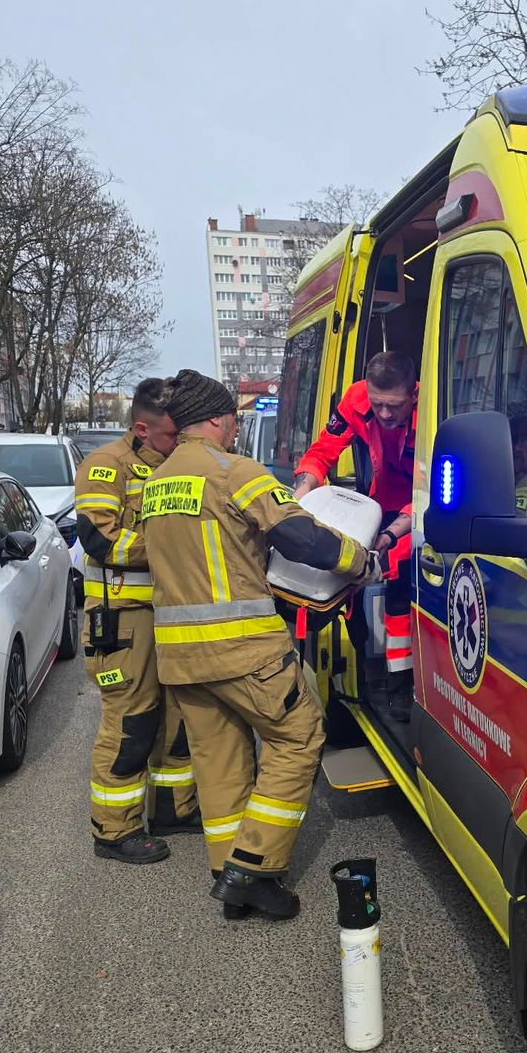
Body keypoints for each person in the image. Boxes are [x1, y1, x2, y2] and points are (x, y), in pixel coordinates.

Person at [142, 369, 371, 921]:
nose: (236, 430)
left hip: (179, 654)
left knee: (218, 761)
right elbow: (300, 534)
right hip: (241, 646)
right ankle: (255, 867)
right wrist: (359, 559)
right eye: (235, 421)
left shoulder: (159, 480)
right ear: (219, 419)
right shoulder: (233, 471)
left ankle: (228, 875)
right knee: (298, 736)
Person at [75, 377, 200, 864]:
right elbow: (100, 539)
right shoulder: (107, 466)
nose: (179, 443)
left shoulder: (173, 466)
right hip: (123, 620)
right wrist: (171, 546)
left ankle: (172, 807)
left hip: (168, 614)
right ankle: (113, 830)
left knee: (175, 715)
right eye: (172, 436)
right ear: (143, 430)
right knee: (131, 721)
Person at [293, 350, 417, 717]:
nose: (385, 414)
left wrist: (390, 537)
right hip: (378, 504)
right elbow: (322, 454)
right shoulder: (356, 399)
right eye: (378, 405)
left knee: (399, 584)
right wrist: (297, 501)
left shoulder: (431, 411)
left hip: (418, 505)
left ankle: (400, 683)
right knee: (350, 582)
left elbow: (426, 490)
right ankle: (364, 676)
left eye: (394, 406)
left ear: (412, 395)